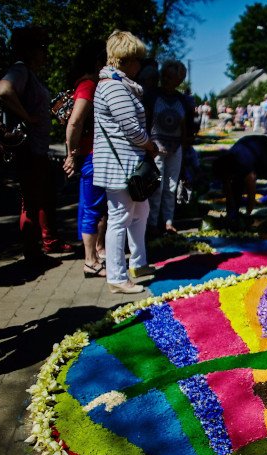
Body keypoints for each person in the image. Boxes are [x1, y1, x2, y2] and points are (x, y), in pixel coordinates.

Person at [93, 30, 161, 294]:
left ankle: (139, 262)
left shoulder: (118, 84)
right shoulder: (113, 86)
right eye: (137, 60)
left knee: (140, 211)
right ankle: (117, 277)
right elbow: (131, 128)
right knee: (119, 218)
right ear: (125, 60)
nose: (140, 66)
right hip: (119, 165)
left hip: (127, 163)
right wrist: (150, 145)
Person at [0, 26, 70, 264]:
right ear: (29, 50)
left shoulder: (30, 74)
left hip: (38, 148)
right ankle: (31, 251)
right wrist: (27, 117)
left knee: (43, 196)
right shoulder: (20, 70)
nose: (45, 53)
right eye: (41, 48)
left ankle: (45, 243)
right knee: (31, 199)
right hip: (28, 148)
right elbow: (2, 90)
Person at [63, 40, 107, 280]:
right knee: (93, 210)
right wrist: (72, 153)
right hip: (92, 155)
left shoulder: (84, 84)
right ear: (98, 61)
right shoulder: (89, 85)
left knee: (91, 207)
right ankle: (90, 261)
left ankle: (94, 256)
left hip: (89, 154)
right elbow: (75, 122)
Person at [212, 135, 267, 228]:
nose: (226, 179)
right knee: (236, 185)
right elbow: (227, 188)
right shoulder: (225, 164)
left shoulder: (242, 162)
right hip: (254, 151)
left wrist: (248, 214)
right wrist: (231, 213)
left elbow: (251, 191)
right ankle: (233, 215)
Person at [145, 60, 188, 236]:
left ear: (179, 80)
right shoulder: (153, 96)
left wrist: (185, 148)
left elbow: (185, 126)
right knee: (157, 188)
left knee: (171, 187)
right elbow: (146, 121)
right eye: (165, 76)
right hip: (156, 147)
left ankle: (168, 222)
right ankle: (153, 223)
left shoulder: (181, 99)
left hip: (175, 146)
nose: (167, 80)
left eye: (172, 77)